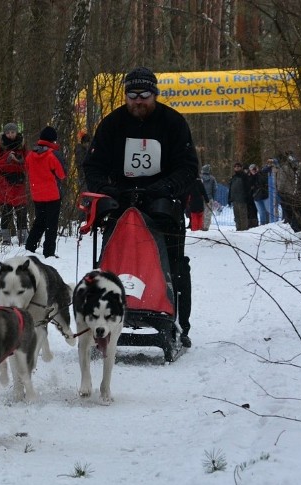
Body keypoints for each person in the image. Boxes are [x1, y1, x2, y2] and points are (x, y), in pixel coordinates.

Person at [82, 66, 198, 347]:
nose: (138, 101)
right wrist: (107, 190)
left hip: (162, 204)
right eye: (132, 95)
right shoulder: (112, 124)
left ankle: (180, 323)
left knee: (175, 264)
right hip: (121, 201)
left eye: (144, 94)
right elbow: (93, 166)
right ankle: (102, 316)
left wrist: (166, 188)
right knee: (113, 259)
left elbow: (187, 167)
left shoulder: (173, 123)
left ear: (154, 94)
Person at [24, 126, 67, 258]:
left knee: (40, 221)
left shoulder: (31, 154)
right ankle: (49, 253)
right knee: (51, 224)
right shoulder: (53, 155)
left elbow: (27, 169)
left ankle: (30, 246)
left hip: (37, 194)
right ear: (53, 140)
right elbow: (62, 174)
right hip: (53, 195)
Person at [0, 122, 28, 245]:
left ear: (16, 132)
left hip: (18, 182)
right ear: (4, 133)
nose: (10, 135)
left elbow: (28, 163)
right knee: (6, 212)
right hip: (4, 183)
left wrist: (20, 161)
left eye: (12, 132)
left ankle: (23, 238)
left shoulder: (22, 146)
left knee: (21, 212)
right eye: (8, 133)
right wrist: (7, 158)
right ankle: (6, 238)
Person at [228, 162, 250, 231]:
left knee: (243, 215)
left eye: (238, 166)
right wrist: (229, 198)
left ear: (241, 167)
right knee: (236, 216)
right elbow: (230, 188)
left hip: (242, 199)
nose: (237, 167)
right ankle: (238, 229)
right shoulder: (233, 177)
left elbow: (247, 188)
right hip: (234, 199)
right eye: (235, 166)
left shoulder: (244, 176)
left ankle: (244, 229)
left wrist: (247, 197)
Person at [200, 164, 217, 230]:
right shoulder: (212, 178)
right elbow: (215, 188)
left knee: (202, 212)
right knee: (208, 212)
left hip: (201, 198)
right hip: (209, 198)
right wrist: (213, 196)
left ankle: (201, 225)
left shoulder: (200, 178)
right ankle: (206, 226)